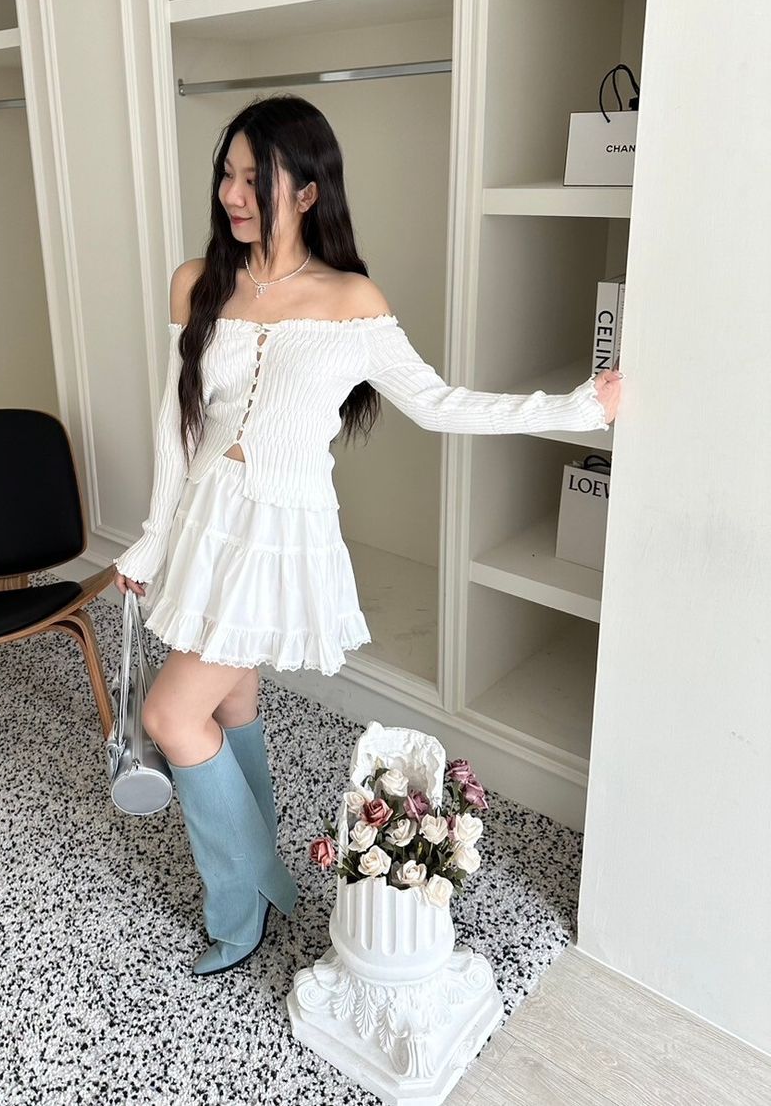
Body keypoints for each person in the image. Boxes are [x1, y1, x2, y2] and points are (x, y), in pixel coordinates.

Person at [113, 94, 622, 977]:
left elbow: (439, 403)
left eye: (255, 179)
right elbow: (177, 423)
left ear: (308, 190)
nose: (233, 194)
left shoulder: (351, 301)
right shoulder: (198, 282)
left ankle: (243, 892)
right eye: (227, 175)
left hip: (280, 535)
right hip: (205, 518)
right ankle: (263, 879)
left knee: (169, 712)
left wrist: (578, 407)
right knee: (228, 702)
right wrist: (154, 537)